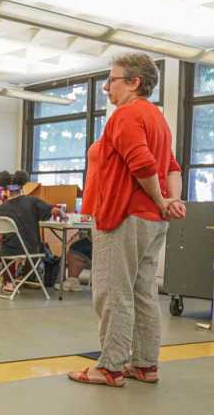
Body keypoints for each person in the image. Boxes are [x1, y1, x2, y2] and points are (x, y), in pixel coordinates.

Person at [69, 53, 185, 388]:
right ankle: (145, 364)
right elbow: (172, 166)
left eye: (112, 80)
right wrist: (169, 200)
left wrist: (162, 198)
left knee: (113, 292)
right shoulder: (156, 118)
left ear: (134, 83)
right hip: (151, 220)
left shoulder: (126, 115)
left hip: (123, 216)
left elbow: (144, 164)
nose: (107, 87)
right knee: (143, 292)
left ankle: (110, 367)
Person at [0, 169, 58, 292]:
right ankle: (29, 279)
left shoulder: (0, 208)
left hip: (7, 249)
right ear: (22, 186)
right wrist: (62, 213)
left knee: (6, 246)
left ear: (6, 188)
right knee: (39, 245)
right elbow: (52, 211)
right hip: (30, 248)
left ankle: (8, 281)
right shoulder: (32, 201)